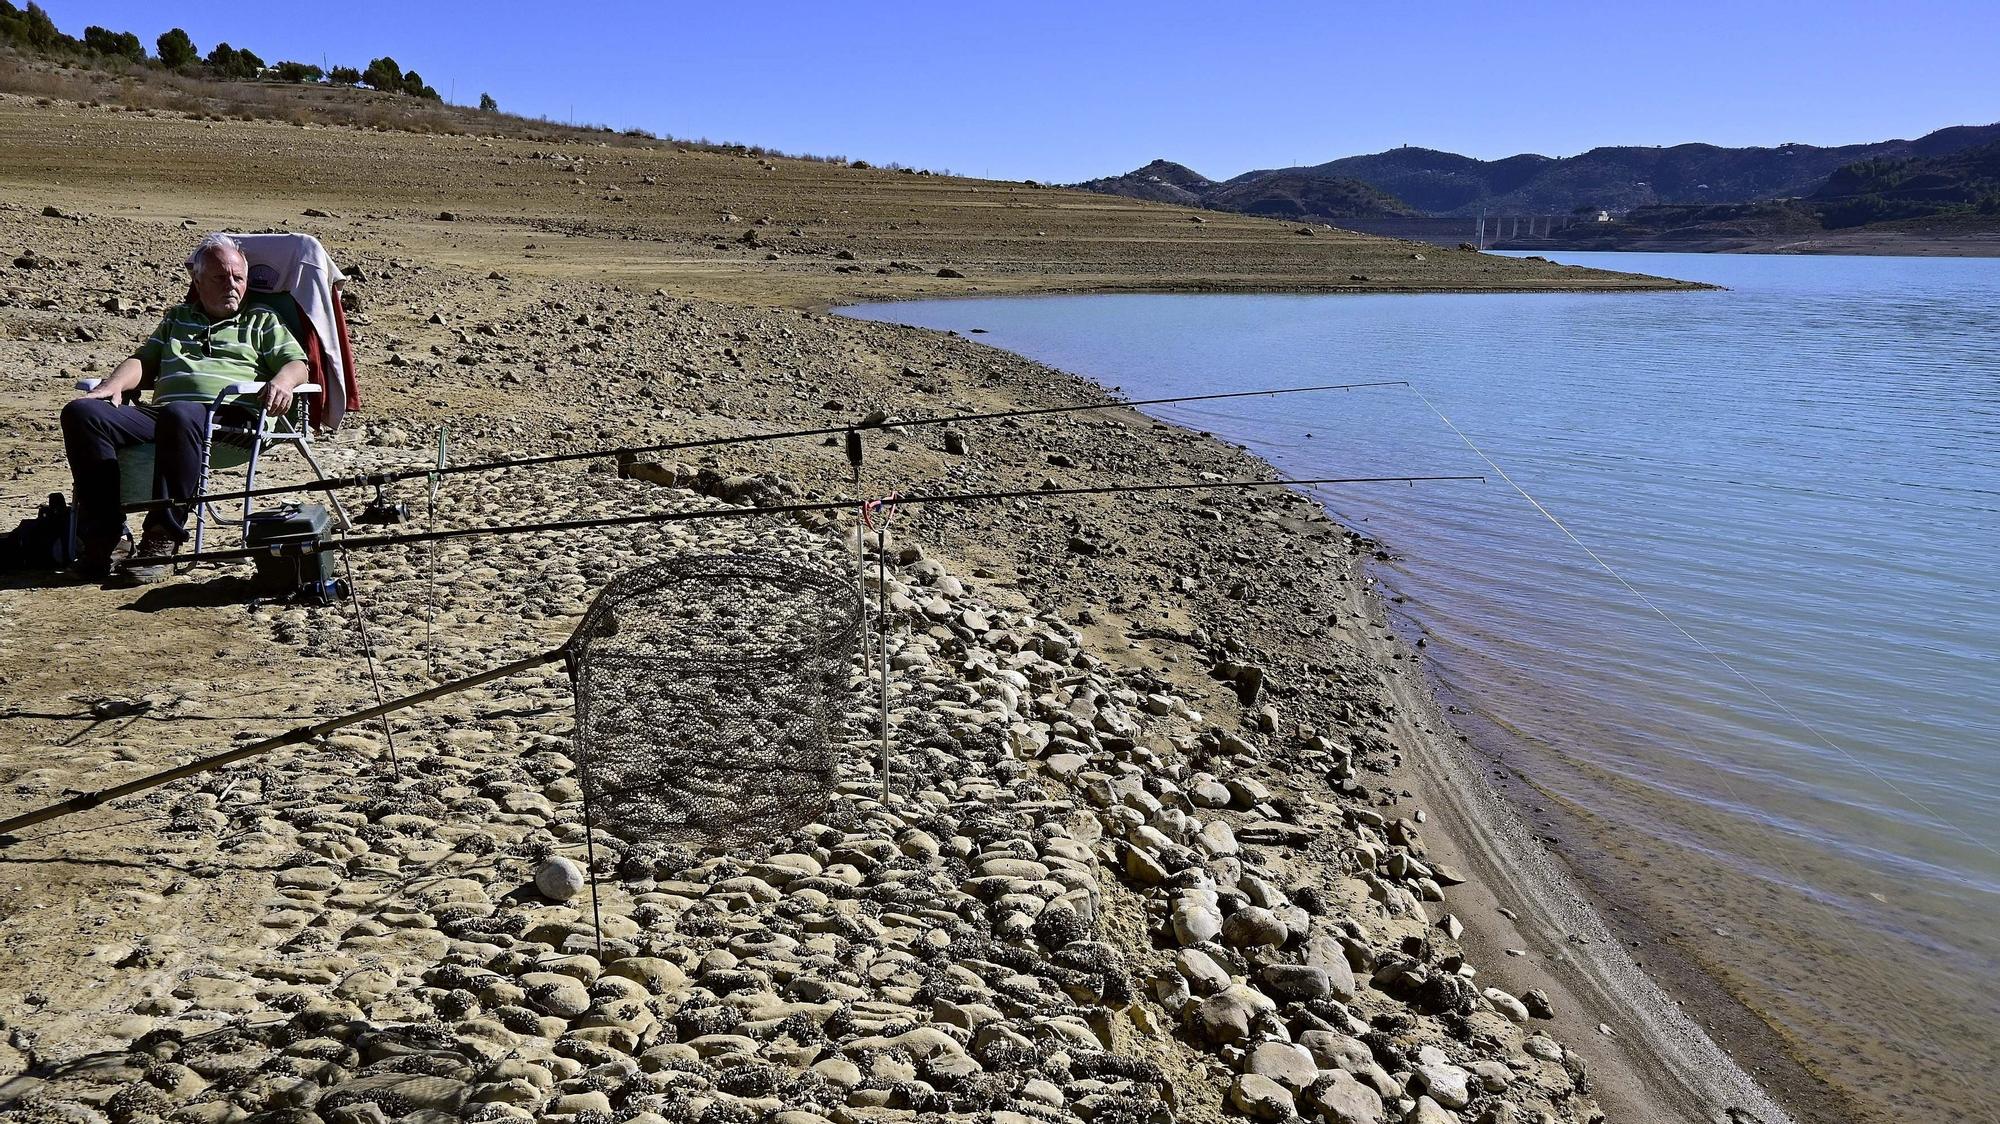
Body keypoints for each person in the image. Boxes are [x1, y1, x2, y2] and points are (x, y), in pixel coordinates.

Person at [62, 233, 309, 583]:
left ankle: (162, 539)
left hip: (232, 421)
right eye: (221, 278)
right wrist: (112, 385)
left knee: (181, 414)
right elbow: (144, 362)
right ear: (197, 279)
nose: (233, 286)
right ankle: (105, 538)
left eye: (239, 278)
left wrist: (283, 382)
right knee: (83, 413)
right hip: (168, 417)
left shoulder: (261, 321)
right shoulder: (177, 318)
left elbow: (298, 364)